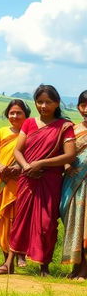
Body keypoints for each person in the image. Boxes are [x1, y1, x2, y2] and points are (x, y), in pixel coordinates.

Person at [9, 84, 76, 276]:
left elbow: (69, 155)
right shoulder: (29, 123)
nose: (43, 106)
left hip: (50, 180)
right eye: (39, 101)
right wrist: (27, 166)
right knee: (21, 220)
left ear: (56, 103)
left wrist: (41, 163)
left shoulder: (65, 126)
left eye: (48, 102)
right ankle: (9, 263)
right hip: (28, 179)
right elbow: (17, 150)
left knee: (47, 224)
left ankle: (44, 266)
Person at [0, 99, 30, 274]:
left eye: (18, 112)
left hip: (20, 181)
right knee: (2, 218)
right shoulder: (2, 132)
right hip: (1, 180)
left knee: (16, 220)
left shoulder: (30, 133)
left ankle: (18, 256)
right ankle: (6, 261)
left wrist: (18, 167)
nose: (14, 116)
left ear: (26, 115)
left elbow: (32, 155)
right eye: (11, 112)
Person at [60, 90, 87, 279]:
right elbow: (62, 154)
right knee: (73, 224)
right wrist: (66, 164)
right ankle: (76, 267)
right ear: (78, 107)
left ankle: (85, 269)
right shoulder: (73, 130)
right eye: (84, 105)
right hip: (72, 185)